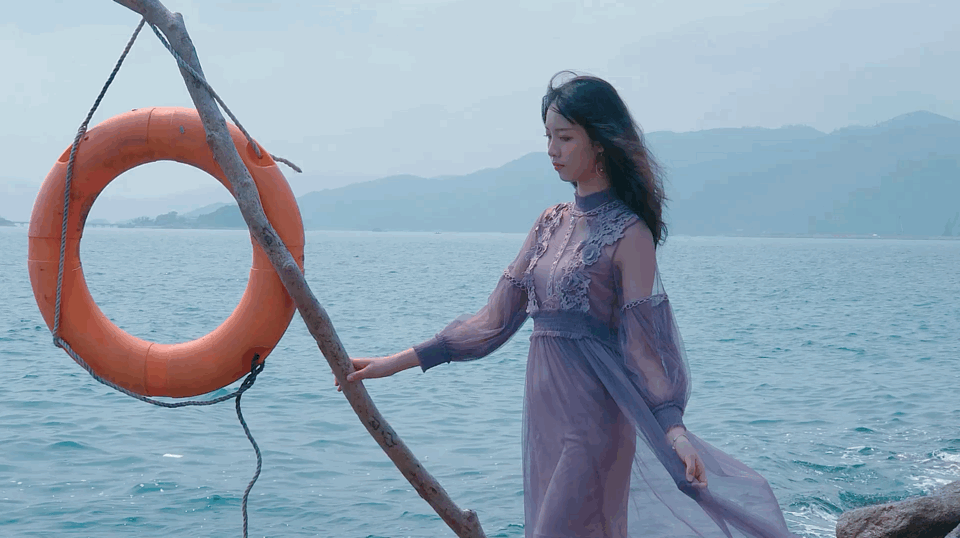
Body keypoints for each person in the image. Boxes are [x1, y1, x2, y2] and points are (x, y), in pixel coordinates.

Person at [335, 71, 799, 538]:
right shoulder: (548, 223)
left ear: (599, 143)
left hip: (595, 422)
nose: (552, 150)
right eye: (548, 137)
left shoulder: (631, 234)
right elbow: (493, 320)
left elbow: (644, 347)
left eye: (565, 137)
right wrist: (393, 363)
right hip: (544, 422)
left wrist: (673, 429)